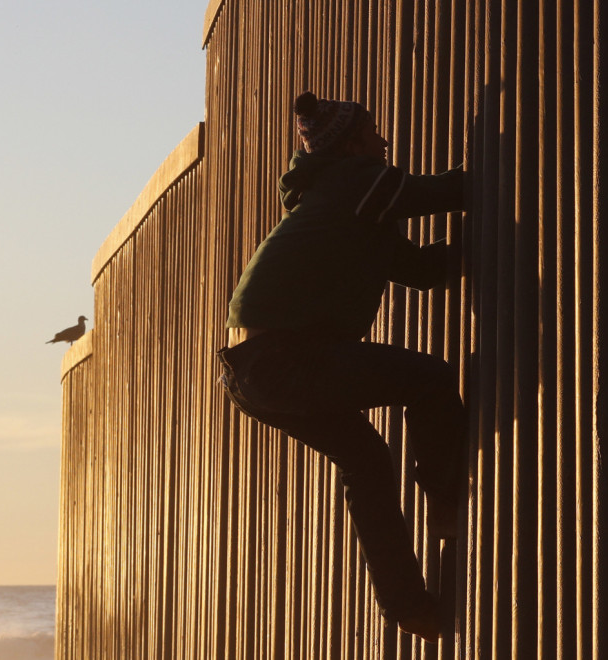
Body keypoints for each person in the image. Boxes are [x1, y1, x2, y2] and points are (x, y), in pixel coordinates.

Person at [217, 91, 468, 642]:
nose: (384, 141)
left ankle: (411, 609)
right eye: (374, 133)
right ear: (353, 145)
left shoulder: (350, 207)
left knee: (366, 460)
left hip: (249, 369)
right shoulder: (354, 182)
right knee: (429, 380)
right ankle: (448, 506)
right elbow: (444, 193)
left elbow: (421, 271)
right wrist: (489, 176)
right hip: (280, 358)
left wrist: (474, 249)